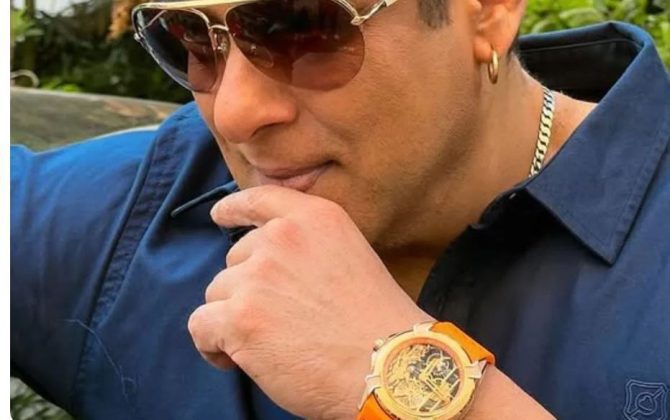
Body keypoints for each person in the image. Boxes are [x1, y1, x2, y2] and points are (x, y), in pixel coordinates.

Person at [10, 0, 670, 418]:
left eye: (299, 29)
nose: (234, 112)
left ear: (487, 11)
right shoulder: (138, 215)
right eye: (191, 38)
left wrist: (402, 376)